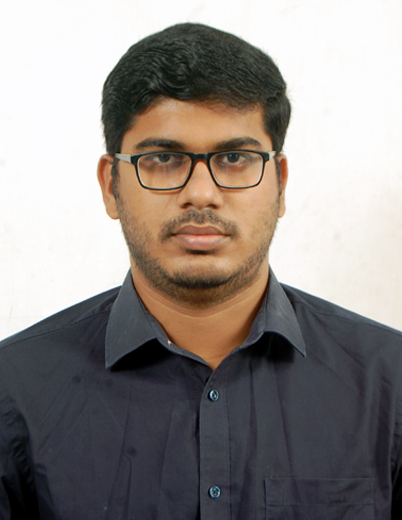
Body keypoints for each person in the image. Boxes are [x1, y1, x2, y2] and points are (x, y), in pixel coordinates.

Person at [0, 22, 401, 520]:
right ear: (111, 186)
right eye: (164, 158)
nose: (201, 193)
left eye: (234, 158)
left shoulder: (389, 385)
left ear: (280, 183)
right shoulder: (13, 390)